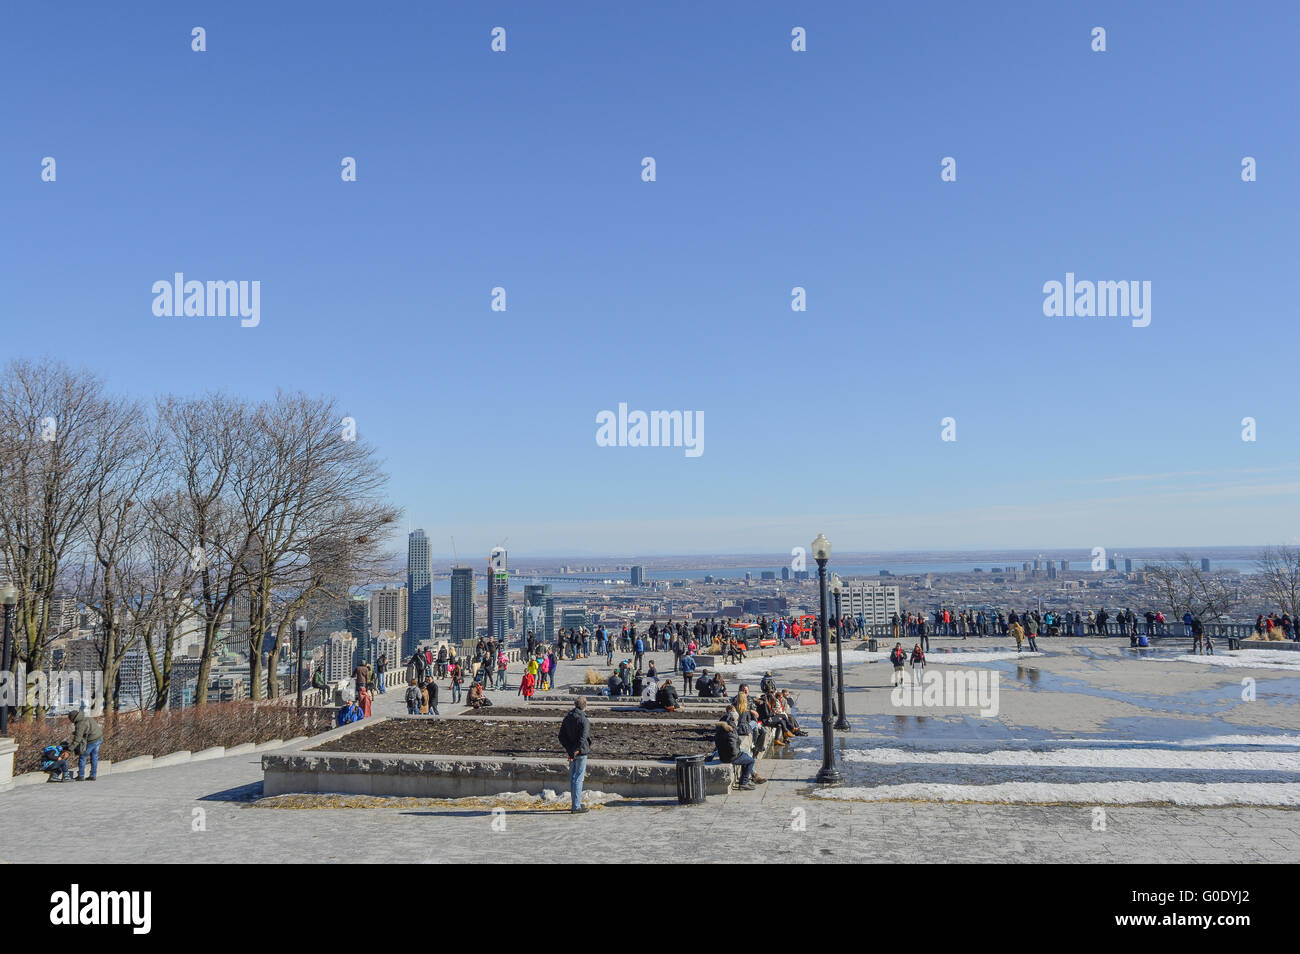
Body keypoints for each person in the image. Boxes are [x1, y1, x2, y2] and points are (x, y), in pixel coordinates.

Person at [715, 706, 765, 790]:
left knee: (746, 756)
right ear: (735, 720)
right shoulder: (731, 731)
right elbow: (733, 749)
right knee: (750, 760)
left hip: (723, 756)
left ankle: (745, 780)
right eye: (737, 720)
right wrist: (739, 753)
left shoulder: (721, 729)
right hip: (730, 757)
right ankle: (744, 783)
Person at [558, 697, 593, 813]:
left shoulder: (568, 717)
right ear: (585, 706)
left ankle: (575, 804)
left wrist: (569, 749)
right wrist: (576, 749)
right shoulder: (584, 719)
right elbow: (583, 737)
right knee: (578, 779)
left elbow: (561, 736)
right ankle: (576, 806)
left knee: (573, 778)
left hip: (572, 752)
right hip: (580, 752)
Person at [69, 709, 103, 781]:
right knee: (94, 757)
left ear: (73, 719)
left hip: (91, 741)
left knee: (82, 756)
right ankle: (93, 775)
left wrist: (70, 749)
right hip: (99, 738)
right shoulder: (87, 718)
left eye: (70, 720)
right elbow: (88, 729)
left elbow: (77, 740)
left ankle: (81, 776)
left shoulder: (80, 724)